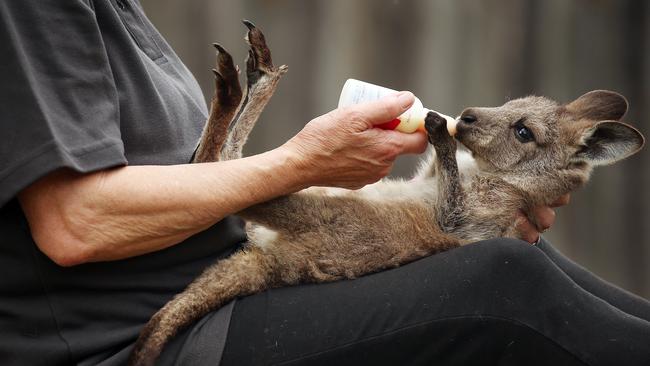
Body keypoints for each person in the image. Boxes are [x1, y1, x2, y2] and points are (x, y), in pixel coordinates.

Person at [1, 1, 648, 365]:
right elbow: (73, 223)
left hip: (222, 269)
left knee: (526, 261)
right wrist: (303, 163)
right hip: (137, 340)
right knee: (507, 283)